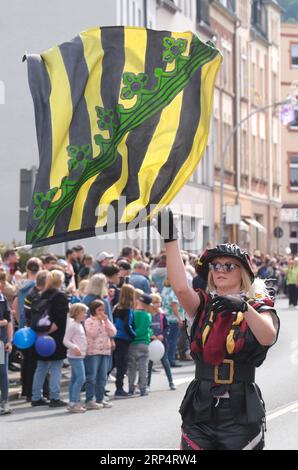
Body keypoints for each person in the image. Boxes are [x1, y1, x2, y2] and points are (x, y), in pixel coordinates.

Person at [157, 208, 279, 450]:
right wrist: (170, 239)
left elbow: (268, 336)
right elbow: (181, 289)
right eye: (216, 266)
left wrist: (243, 307)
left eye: (228, 266)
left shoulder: (258, 305)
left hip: (240, 411)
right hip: (200, 408)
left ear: (242, 272)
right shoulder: (202, 305)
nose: (220, 270)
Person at [31, 270, 69, 408]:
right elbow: (60, 320)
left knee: (41, 367)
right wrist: (49, 332)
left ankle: (36, 397)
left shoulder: (41, 295)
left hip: (39, 335)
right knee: (56, 367)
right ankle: (55, 397)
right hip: (55, 338)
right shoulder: (60, 297)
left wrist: (42, 333)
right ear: (60, 281)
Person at [84, 299, 116, 409]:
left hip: (105, 351)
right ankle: (89, 399)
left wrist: (106, 321)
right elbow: (92, 334)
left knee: (102, 377)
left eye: (103, 310)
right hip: (93, 352)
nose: (101, 312)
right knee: (91, 376)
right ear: (93, 310)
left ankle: (100, 398)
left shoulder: (104, 321)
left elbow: (113, 332)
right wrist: (98, 321)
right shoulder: (89, 321)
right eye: (99, 310)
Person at [63, 303, 88, 413]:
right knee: (81, 378)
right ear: (77, 313)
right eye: (84, 312)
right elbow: (65, 340)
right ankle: (74, 402)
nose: (85, 314)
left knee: (74, 379)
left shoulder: (79, 324)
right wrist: (74, 347)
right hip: (75, 356)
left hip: (79, 355)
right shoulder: (73, 325)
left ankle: (72, 401)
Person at [147, 293, 176, 391]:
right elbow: (147, 327)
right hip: (151, 342)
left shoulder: (162, 315)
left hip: (161, 343)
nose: (157, 305)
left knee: (165, 362)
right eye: (155, 302)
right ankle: (147, 384)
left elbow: (167, 327)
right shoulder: (148, 314)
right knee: (149, 364)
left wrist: (163, 335)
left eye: (159, 302)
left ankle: (171, 382)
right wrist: (151, 336)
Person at [127, 291, 153, 397]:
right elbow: (148, 329)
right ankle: (143, 388)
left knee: (132, 367)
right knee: (143, 367)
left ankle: (131, 388)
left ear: (138, 301)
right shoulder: (148, 316)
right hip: (144, 343)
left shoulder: (133, 314)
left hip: (133, 342)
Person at [112, 284, 136, 398]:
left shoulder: (116, 307)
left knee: (113, 363)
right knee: (122, 365)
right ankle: (119, 389)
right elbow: (127, 325)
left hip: (115, 337)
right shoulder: (128, 309)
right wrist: (133, 335)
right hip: (123, 339)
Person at [0, 284, 13, 415]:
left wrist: (9, 341)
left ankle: (5, 401)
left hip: (1, 343)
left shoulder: (2, 300)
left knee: (3, 373)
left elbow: (8, 321)